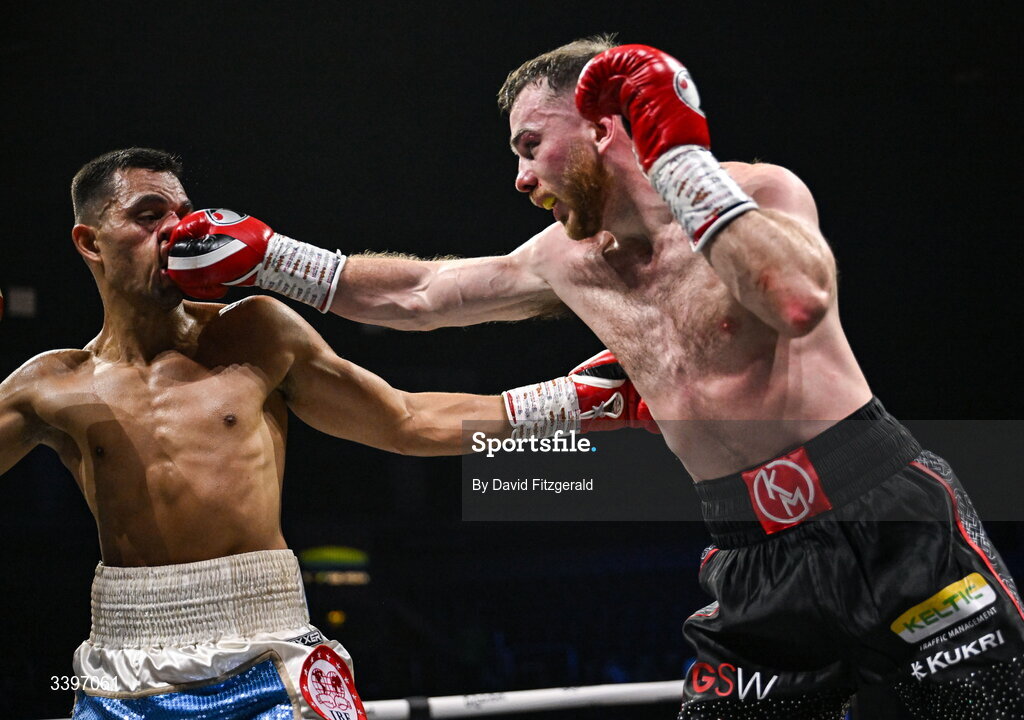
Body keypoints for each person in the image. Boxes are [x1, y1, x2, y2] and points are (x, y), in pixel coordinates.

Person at [171, 38, 1024, 718]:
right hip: (752, 560)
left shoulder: (758, 191)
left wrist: (682, 159)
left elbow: (798, 301)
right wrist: (277, 259)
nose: (521, 177)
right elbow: (423, 295)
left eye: (531, 145)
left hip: (884, 517)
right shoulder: (563, 260)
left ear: (606, 124)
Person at [0, 147, 648, 719]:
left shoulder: (254, 332)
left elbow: (407, 422)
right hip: (124, 664)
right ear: (90, 242)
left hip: (265, 648)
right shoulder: (50, 386)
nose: (176, 230)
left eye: (183, 213)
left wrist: (572, 404)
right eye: (147, 216)